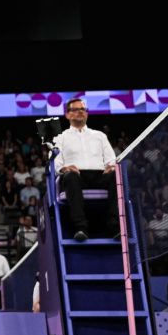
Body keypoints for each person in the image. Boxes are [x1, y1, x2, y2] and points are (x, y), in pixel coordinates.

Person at [52, 97, 119, 241]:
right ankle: (81, 227)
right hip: (76, 177)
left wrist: (111, 166)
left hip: (99, 176)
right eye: (75, 110)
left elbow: (111, 159)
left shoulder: (100, 136)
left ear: (87, 113)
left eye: (83, 109)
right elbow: (56, 163)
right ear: (67, 114)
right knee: (70, 177)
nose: (80, 112)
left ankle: (115, 226)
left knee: (116, 176)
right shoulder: (60, 138)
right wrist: (65, 168)